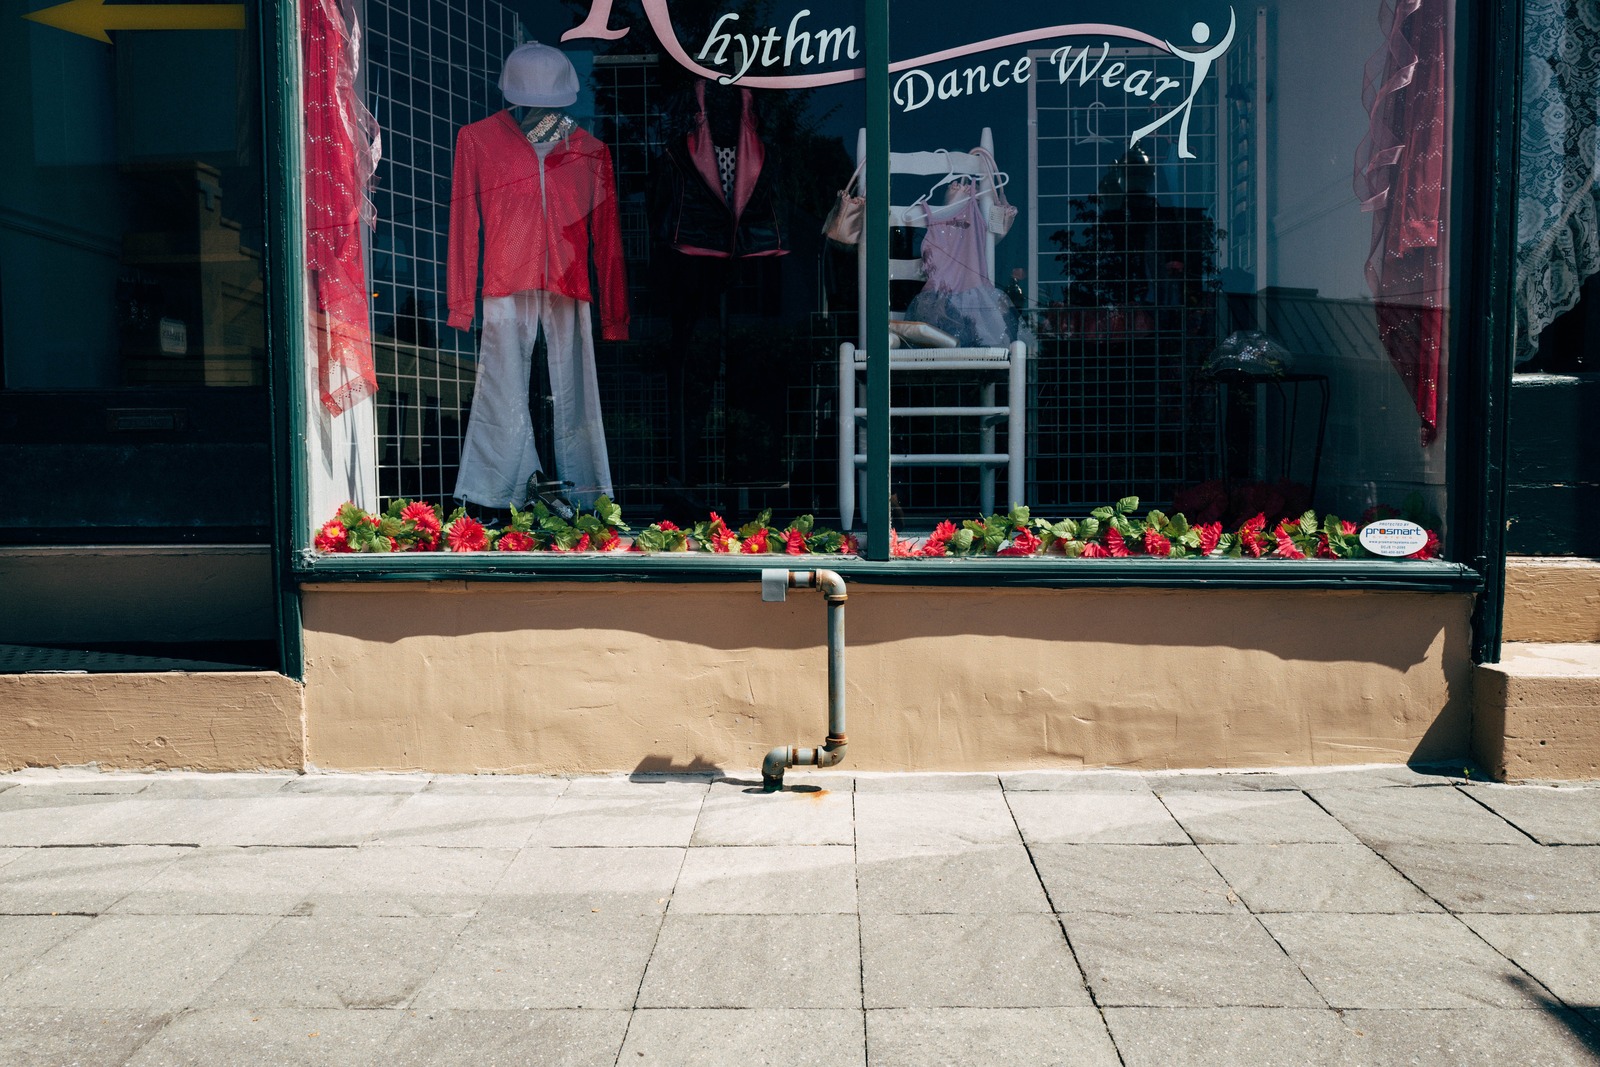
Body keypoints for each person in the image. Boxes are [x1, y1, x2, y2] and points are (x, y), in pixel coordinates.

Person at [446, 42, 628, 514]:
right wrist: (461, 303)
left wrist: (615, 315)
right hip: (505, 278)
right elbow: (464, 223)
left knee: (578, 387)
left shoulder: (590, 152)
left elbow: (608, 238)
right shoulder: (478, 140)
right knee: (501, 386)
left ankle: (586, 493)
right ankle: (501, 495)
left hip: (570, 284)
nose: (539, 112)